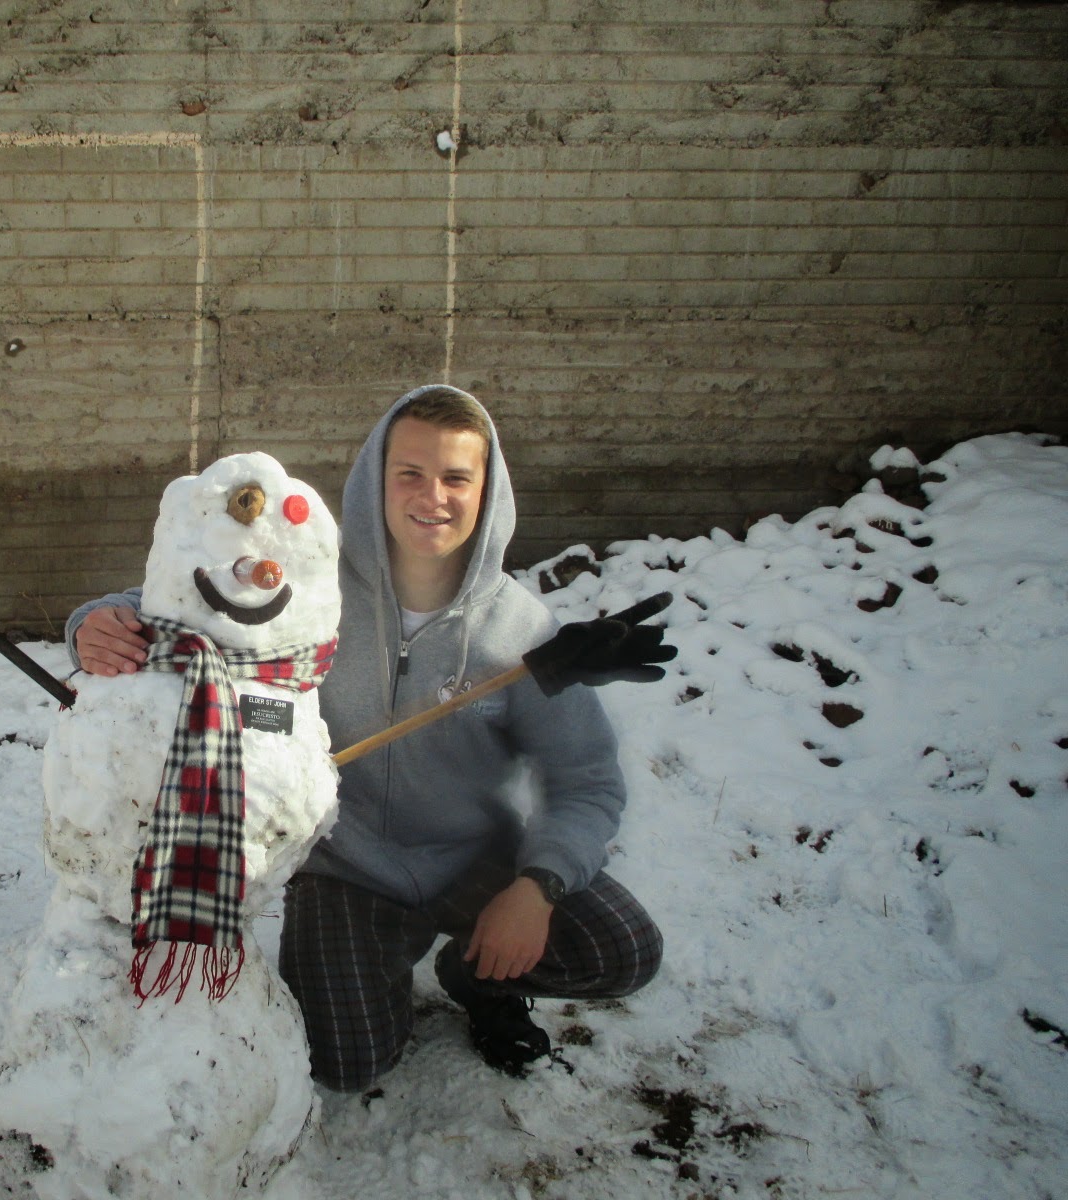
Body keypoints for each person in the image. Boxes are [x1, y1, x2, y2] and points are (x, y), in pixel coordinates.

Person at [68, 384, 662, 1090]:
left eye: (456, 478)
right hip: (343, 868)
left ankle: (480, 977)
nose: (432, 496)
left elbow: (587, 784)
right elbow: (184, 595)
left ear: (487, 491)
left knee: (623, 948)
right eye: (409, 473)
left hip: (472, 858)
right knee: (345, 1063)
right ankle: (374, 973)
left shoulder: (519, 633)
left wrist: (538, 887)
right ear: (374, 479)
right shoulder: (311, 579)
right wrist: (95, 623)